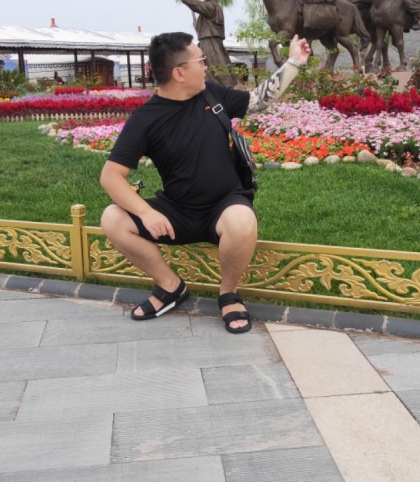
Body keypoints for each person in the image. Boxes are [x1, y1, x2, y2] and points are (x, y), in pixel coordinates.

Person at [99, 32, 311, 333]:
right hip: (177, 212)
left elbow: (257, 100)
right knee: (112, 218)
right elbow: (111, 176)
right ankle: (170, 286)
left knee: (242, 219)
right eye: (201, 60)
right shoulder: (146, 119)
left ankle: (228, 294)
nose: (206, 66)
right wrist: (146, 213)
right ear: (179, 72)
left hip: (223, 206)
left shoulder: (210, 94)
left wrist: (294, 62)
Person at [170, 0, 237, 86]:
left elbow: (197, 5)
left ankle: (222, 86)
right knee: (210, 64)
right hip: (207, 40)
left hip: (210, 41)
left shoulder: (212, 7)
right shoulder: (213, 7)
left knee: (213, 63)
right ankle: (215, 85)